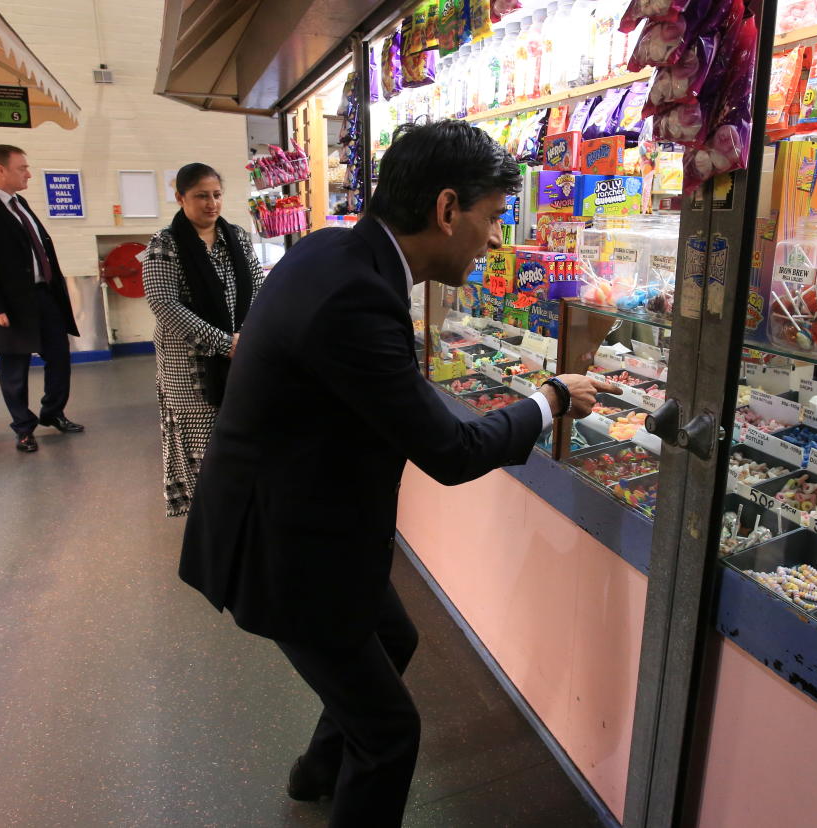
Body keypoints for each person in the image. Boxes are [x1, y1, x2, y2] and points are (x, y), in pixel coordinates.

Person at [178, 120, 618, 827]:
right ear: (447, 210)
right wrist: (550, 400)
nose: (497, 240)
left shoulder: (333, 250)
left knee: (395, 638)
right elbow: (450, 451)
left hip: (303, 521)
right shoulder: (357, 297)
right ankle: (336, 770)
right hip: (282, 547)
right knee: (391, 735)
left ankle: (315, 770)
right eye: (494, 217)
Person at [141, 163, 265, 517]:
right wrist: (224, 342)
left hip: (240, 354)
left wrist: (252, 335)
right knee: (200, 444)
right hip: (189, 368)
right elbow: (164, 304)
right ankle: (207, 519)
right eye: (200, 196)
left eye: (216, 195)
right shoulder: (164, 245)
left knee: (236, 435)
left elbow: (257, 287)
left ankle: (237, 512)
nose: (211, 203)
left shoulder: (237, 237)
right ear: (180, 198)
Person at [0, 145, 83, 452]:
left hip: (44, 297)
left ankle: (52, 413)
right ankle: (23, 428)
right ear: (0, 170)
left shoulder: (20, 202)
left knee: (60, 357)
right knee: (14, 368)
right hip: (9, 306)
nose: (28, 173)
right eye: (22, 167)